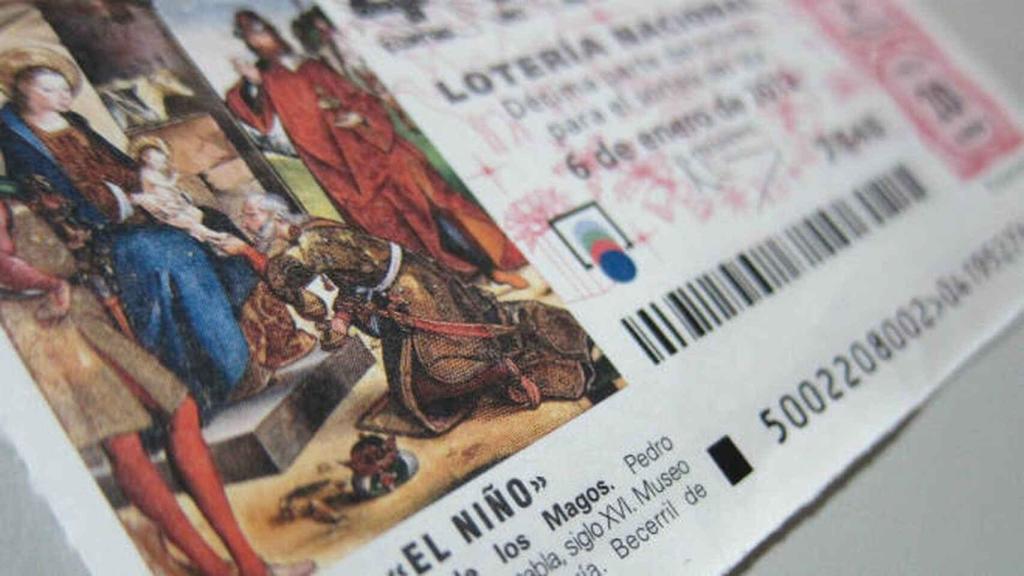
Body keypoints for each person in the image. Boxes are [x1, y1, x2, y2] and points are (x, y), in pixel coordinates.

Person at [0, 47, 314, 576]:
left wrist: (147, 191)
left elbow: (122, 172)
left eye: (59, 86)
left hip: (90, 266)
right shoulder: (16, 139)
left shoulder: (75, 125)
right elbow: (52, 213)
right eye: (43, 86)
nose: (54, 95)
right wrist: (119, 206)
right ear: (22, 88)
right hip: (77, 273)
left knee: (208, 232)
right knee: (160, 258)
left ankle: (236, 351)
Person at [219, 193, 596, 435]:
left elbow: (288, 278)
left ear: (272, 214)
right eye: (244, 220)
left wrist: (247, 253)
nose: (247, 224)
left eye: (250, 215)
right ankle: (512, 356)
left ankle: (501, 370)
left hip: (410, 293)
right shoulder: (310, 234)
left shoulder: (309, 241)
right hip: (407, 285)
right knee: (459, 345)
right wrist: (341, 318)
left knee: (427, 386)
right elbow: (353, 279)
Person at [224, 10, 530, 289]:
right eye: (254, 35)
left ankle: (490, 267)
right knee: (394, 229)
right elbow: (256, 118)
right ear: (249, 43)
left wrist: (361, 118)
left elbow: (360, 98)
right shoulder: (266, 81)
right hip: (343, 172)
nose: (264, 38)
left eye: (264, 30)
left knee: (433, 203)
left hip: (376, 146)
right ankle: (451, 284)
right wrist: (253, 84)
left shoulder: (312, 65)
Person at [128, 135, 229, 243]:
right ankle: (215, 235)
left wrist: (177, 194)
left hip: (169, 201)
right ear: (145, 158)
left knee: (196, 214)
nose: (160, 164)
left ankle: (201, 236)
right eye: (155, 160)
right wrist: (173, 178)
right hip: (161, 205)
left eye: (160, 160)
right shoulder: (146, 173)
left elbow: (168, 187)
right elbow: (166, 185)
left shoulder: (154, 170)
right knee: (188, 222)